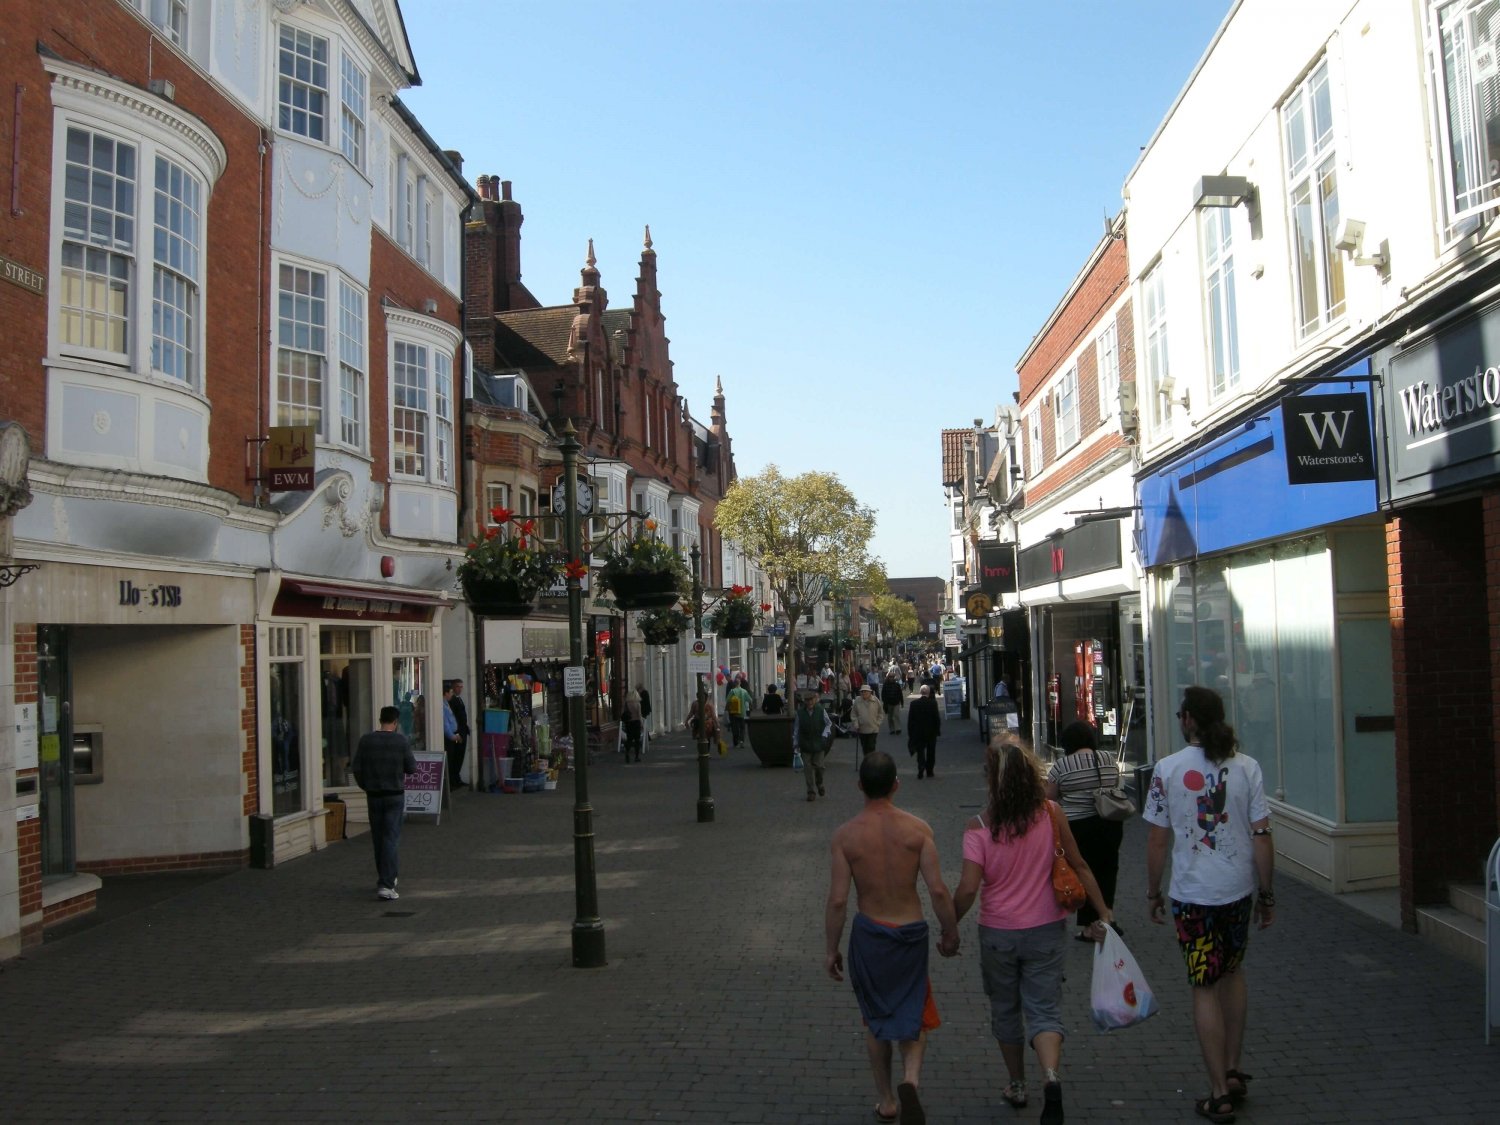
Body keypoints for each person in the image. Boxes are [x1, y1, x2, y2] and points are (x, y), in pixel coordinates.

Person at [953, 735, 1112, 1123]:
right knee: (1044, 1009)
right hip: (1046, 929)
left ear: (991, 780)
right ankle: (1051, 1077)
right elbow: (1080, 864)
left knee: (1006, 1009)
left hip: (998, 933)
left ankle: (1017, 1083)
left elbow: (969, 889)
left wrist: (948, 926)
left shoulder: (978, 828)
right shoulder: (1052, 813)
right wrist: (1104, 912)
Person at [1145, 685, 1274, 1125]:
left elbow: (1158, 838)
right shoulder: (1248, 768)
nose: (1180, 720)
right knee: (1233, 973)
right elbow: (1261, 834)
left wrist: (1152, 890)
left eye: (1182, 714)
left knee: (1204, 984)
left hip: (1192, 894)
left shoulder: (1166, 769)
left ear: (1190, 720)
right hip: (1237, 889)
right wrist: (1267, 891)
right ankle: (1234, 1068)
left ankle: (1218, 1091)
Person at [825, 751, 960, 1125]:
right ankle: (911, 1080)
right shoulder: (919, 831)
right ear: (896, 786)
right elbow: (937, 891)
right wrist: (950, 932)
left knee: (877, 1018)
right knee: (913, 1008)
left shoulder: (846, 836)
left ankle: (886, 1100)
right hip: (911, 932)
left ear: (859, 787)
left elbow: (837, 900)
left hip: (871, 933)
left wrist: (831, 949)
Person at [1045, 720, 1126, 942]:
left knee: (1084, 870)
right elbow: (1115, 783)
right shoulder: (1108, 759)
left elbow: (1049, 797)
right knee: (1108, 870)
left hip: (1078, 826)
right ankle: (1107, 914)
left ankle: (1093, 925)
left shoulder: (1062, 766)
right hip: (1110, 822)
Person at [351, 705, 417, 901]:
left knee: (378, 839)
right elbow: (411, 768)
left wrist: (366, 785)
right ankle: (387, 883)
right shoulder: (400, 741)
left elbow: (357, 768)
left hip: (374, 795)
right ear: (395, 723)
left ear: (380, 720)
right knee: (390, 838)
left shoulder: (366, 740)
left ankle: (385, 877)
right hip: (394, 794)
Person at [794, 691, 833, 802]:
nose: (809, 702)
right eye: (807, 700)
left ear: (815, 700)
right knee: (807, 769)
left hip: (818, 743)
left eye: (811, 700)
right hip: (805, 744)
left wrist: (825, 734)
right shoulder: (800, 713)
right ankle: (811, 791)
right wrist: (795, 744)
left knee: (820, 766)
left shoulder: (820, 710)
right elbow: (796, 729)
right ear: (805, 702)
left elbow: (828, 723)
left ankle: (819, 783)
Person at [906, 685, 942, 780]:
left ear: (920, 692)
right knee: (931, 752)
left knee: (920, 751)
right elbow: (936, 718)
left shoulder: (913, 704)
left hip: (918, 732)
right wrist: (938, 730)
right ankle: (929, 771)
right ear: (929, 693)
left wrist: (910, 733)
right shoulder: (933, 703)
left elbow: (910, 720)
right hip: (931, 732)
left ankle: (921, 766)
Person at [441, 681, 464, 789]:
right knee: (449, 760)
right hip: (449, 736)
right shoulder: (442, 705)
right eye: (450, 692)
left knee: (453, 759)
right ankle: (449, 785)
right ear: (445, 693)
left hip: (454, 733)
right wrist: (453, 736)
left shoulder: (446, 703)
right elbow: (445, 724)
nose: (451, 694)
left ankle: (452, 782)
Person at [851, 683, 884, 757]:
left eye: (866, 691)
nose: (864, 693)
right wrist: (856, 724)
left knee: (871, 746)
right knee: (865, 747)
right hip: (862, 728)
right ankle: (867, 761)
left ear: (870, 692)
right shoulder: (857, 700)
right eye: (862, 691)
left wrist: (878, 723)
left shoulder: (875, 700)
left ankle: (871, 762)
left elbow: (880, 713)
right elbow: (853, 714)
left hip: (873, 728)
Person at [448, 678, 471, 779]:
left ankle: (456, 776)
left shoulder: (459, 699)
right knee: (456, 756)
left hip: (463, 730)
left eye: (461, 687)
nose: (460, 689)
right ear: (453, 687)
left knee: (460, 756)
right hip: (457, 732)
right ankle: (454, 777)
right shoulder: (452, 700)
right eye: (458, 687)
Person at [725, 679, 754, 748]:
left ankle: (735, 742)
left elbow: (727, 700)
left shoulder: (732, 691)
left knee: (735, 727)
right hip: (742, 712)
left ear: (735, 684)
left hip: (733, 712)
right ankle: (741, 741)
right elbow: (750, 700)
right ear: (740, 683)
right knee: (742, 727)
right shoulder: (744, 691)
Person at [621, 688, 644, 763]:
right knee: (637, 740)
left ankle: (627, 753)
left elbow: (623, 713)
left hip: (629, 723)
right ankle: (636, 757)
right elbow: (639, 715)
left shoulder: (626, 704)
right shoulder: (638, 704)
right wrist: (641, 724)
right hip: (636, 722)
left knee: (629, 739)